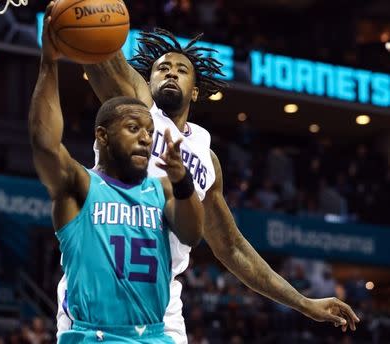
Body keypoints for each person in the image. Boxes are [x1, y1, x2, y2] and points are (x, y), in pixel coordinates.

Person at [41, 3, 360, 343]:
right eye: (162, 68)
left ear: (194, 90)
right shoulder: (134, 109)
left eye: (181, 69)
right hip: (96, 301)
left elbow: (232, 248)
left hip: (161, 311)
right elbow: (103, 52)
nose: (171, 72)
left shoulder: (207, 161)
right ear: (147, 82)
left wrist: (304, 303)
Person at [29, 14, 204, 343]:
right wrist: (49, 62)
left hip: (156, 331)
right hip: (92, 332)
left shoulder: (165, 186)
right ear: (102, 137)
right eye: (134, 129)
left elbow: (197, 235)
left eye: (150, 132)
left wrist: (183, 182)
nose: (146, 139)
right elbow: (45, 144)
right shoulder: (81, 186)